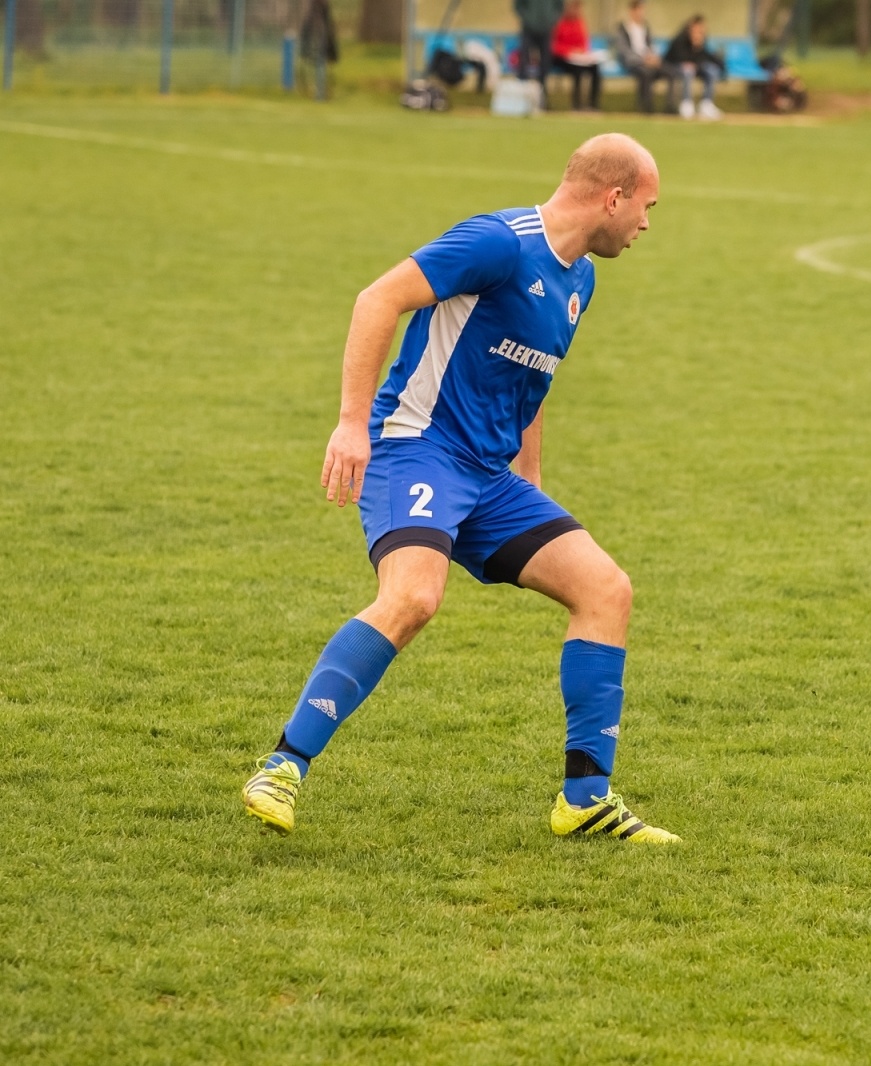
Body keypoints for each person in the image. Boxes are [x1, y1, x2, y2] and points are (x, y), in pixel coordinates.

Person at [242, 134, 679, 846]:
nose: (646, 224)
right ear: (613, 197)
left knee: (607, 590)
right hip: (417, 450)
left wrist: (530, 487)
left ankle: (586, 800)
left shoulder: (580, 280)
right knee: (414, 598)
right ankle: (282, 767)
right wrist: (351, 424)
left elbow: (531, 381)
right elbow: (377, 299)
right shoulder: (499, 242)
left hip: (488, 479)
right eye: (647, 207)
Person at [614, 0, 673, 114]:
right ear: (632, 11)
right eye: (639, 10)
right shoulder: (623, 29)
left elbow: (650, 46)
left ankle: (670, 106)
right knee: (646, 73)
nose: (641, 13)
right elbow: (625, 51)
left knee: (671, 72)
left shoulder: (645, 28)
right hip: (633, 63)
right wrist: (643, 60)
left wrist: (653, 58)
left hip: (648, 61)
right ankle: (646, 107)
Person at [665, 15, 724, 120]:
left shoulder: (701, 39)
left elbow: (703, 57)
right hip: (675, 67)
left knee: (711, 70)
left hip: (695, 67)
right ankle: (686, 103)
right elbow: (678, 58)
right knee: (688, 70)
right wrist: (690, 60)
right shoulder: (680, 39)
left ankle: (706, 104)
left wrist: (697, 48)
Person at [551, 0, 604, 111]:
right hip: (563, 59)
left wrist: (582, 51)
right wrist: (570, 50)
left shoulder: (579, 23)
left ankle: (593, 105)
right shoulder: (559, 23)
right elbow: (554, 46)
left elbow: (584, 42)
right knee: (578, 71)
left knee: (595, 69)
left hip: (578, 58)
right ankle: (577, 105)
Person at [513, 0, 562, 107]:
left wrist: (550, 20)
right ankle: (521, 98)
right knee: (524, 61)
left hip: (546, 29)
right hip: (528, 29)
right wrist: (528, 19)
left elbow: (559, 7)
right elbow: (518, 6)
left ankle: (542, 99)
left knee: (545, 63)